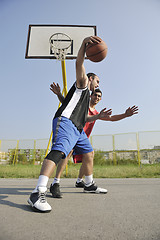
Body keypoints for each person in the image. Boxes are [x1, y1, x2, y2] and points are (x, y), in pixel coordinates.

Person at [28, 36, 111, 213]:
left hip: (78, 127)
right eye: (97, 81)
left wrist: (98, 116)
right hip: (66, 122)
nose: (98, 84)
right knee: (59, 151)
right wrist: (83, 44)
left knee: (89, 153)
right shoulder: (82, 84)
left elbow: (83, 118)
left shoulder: (85, 97)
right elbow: (79, 63)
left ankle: (88, 184)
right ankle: (38, 191)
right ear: (90, 79)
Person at [49, 83, 138, 198]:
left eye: (99, 96)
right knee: (66, 154)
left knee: (89, 155)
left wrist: (125, 115)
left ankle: (81, 181)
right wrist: (59, 94)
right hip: (72, 132)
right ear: (90, 96)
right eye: (95, 95)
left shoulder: (97, 113)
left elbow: (111, 118)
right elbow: (67, 104)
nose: (96, 97)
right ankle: (56, 182)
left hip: (82, 138)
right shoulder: (82, 106)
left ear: (100, 99)